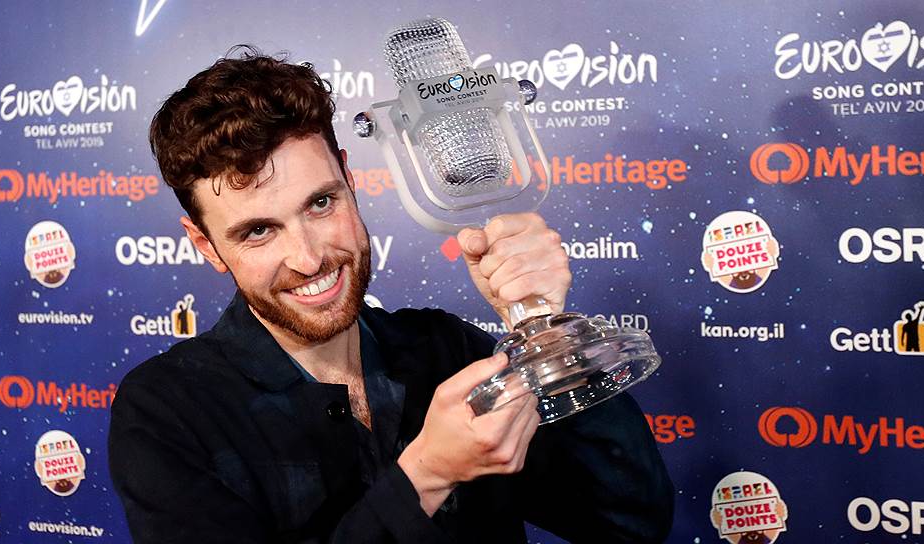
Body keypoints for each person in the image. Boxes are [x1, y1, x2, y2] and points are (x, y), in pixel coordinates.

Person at [108, 46, 674, 543]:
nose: (308, 258)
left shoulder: (446, 350)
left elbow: (631, 521)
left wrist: (543, 331)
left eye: (320, 203)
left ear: (349, 179)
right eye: (258, 231)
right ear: (205, 245)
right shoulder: (166, 412)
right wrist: (426, 475)